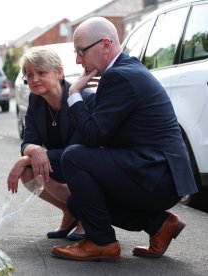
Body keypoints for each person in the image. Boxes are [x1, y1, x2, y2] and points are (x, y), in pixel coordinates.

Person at [51, 17, 198, 262]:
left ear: (105, 45)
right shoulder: (123, 71)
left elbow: (91, 137)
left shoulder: (120, 76)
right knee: (78, 203)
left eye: (81, 52)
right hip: (154, 172)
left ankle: (102, 242)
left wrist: (74, 93)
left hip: (158, 175)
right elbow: (97, 133)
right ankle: (160, 224)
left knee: (74, 158)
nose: (78, 60)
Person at [7, 46, 95, 241]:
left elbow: (78, 150)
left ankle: (87, 216)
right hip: (62, 162)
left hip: (88, 166)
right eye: (29, 75)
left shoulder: (84, 99)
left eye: (41, 72)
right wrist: (34, 150)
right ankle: (70, 211)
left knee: (31, 164)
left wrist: (26, 159)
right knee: (29, 171)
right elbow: (28, 140)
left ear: (59, 72)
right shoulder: (36, 99)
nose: (34, 79)